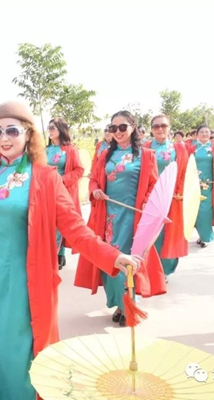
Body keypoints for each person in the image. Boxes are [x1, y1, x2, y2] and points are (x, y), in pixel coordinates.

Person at [0, 101, 143, 400]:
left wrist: (113, 256)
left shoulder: (45, 178)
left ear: (28, 134)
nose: (4, 138)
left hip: (26, 283)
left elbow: (75, 228)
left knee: (21, 350)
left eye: (12, 131)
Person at [75, 111, 166, 327]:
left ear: (133, 127)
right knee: (109, 260)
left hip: (133, 218)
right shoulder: (105, 155)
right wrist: (95, 190)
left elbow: (153, 185)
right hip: (108, 217)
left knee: (128, 262)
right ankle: (119, 304)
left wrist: (146, 204)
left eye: (123, 127)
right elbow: (94, 179)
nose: (118, 132)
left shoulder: (146, 155)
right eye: (113, 128)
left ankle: (128, 306)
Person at [144, 115, 189, 278]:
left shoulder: (178, 148)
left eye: (163, 125)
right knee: (150, 233)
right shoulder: (145, 147)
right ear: (151, 129)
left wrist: (180, 193)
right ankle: (149, 269)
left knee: (168, 233)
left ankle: (164, 270)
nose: (160, 129)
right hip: (149, 198)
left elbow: (184, 173)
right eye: (156, 126)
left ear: (169, 128)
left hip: (170, 197)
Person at [46, 117, 84, 269]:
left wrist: (62, 180)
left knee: (59, 224)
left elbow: (79, 170)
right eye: (49, 128)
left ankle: (55, 255)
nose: (50, 131)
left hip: (62, 192)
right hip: (46, 192)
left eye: (52, 128)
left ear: (61, 130)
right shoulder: (45, 150)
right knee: (49, 223)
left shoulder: (70, 149)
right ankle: (56, 254)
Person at [185, 125, 214, 248]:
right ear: (197, 134)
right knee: (195, 209)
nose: (204, 134)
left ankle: (207, 237)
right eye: (201, 132)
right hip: (193, 184)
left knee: (206, 210)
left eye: (206, 132)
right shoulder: (191, 148)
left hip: (209, 185)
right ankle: (202, 235)